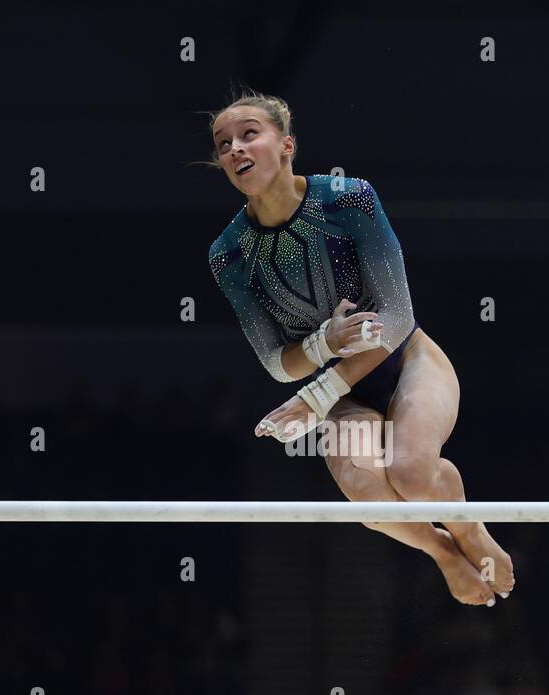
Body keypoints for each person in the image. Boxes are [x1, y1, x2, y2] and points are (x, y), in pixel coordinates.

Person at [206, 89, 514, 607]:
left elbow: (396, 316)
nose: (234, 148)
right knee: (368, 496)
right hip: (344, 397)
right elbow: (276, 363)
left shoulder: (348, 199)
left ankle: (469, 530)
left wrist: (319, 391)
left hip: (407, 360)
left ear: (286, 145)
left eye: (249, 134)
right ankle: (442, 551)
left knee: (412, 474)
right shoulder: (230, 254)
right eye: (223, 143)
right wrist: (324, 344)